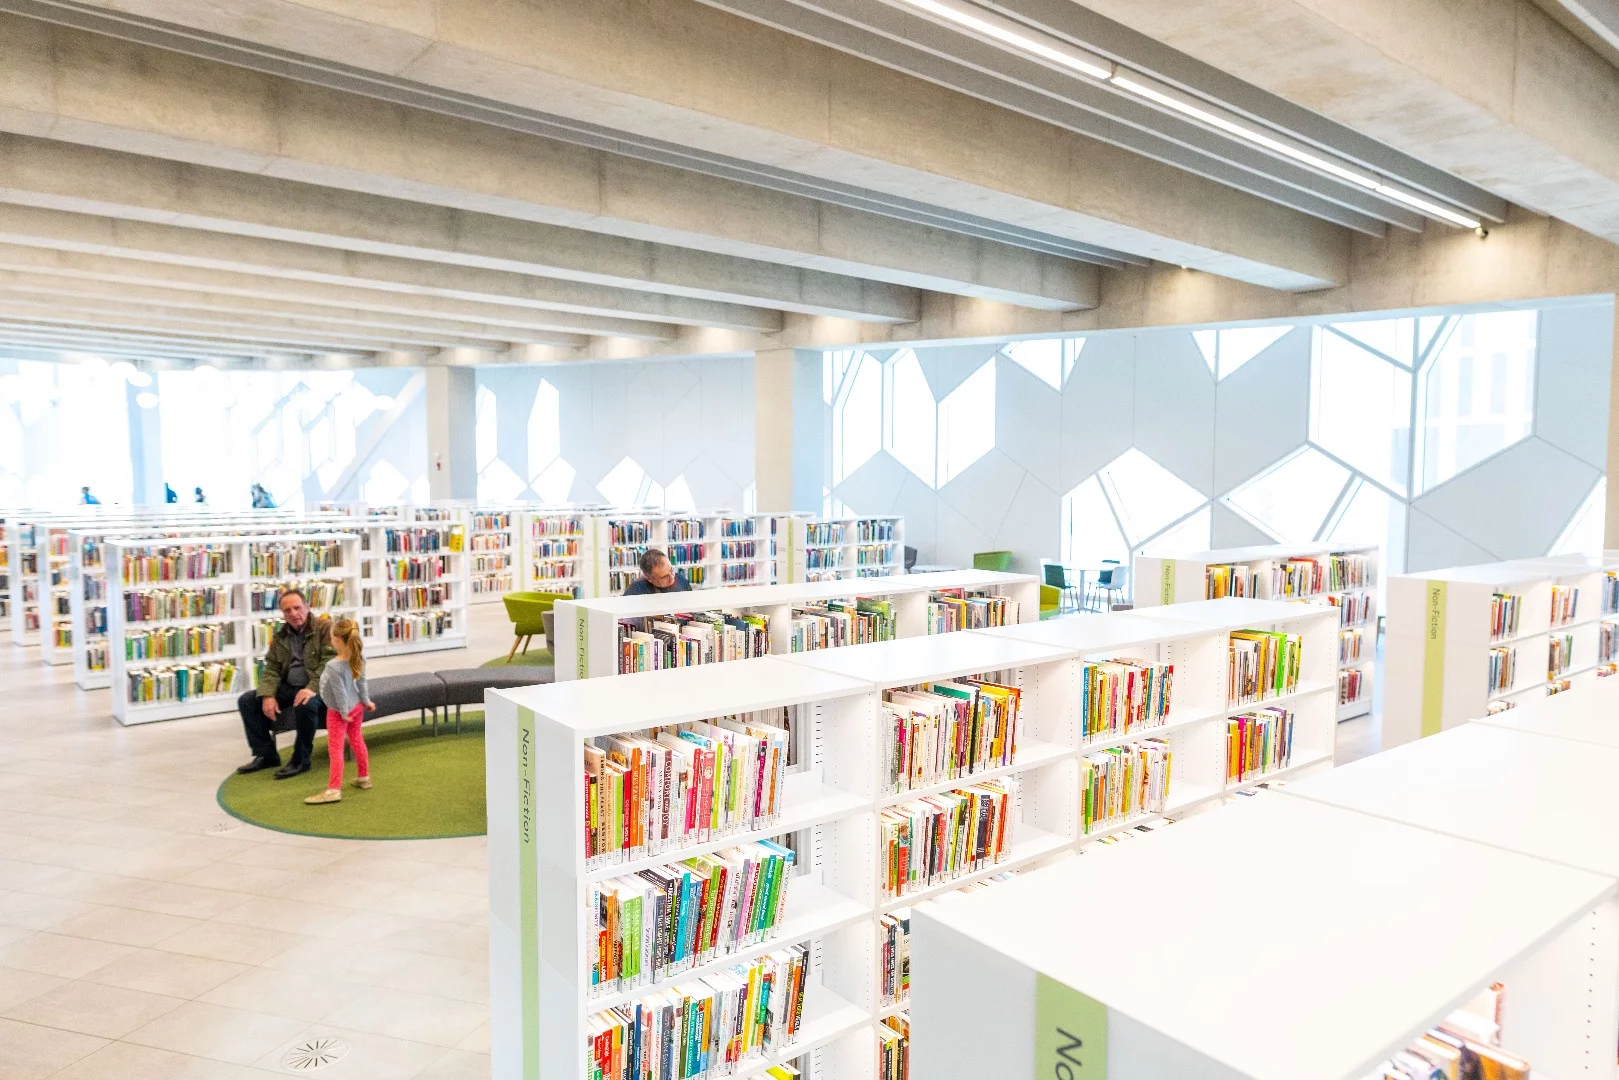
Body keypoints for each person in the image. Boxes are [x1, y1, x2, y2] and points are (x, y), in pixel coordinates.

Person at [235, 588, 334, 778]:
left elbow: (330, 663)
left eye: (297, 608)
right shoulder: (281, 636)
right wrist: (268, 694)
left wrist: (311, 688)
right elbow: (272, 667)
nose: (293, 614)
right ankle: (266, 755)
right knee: (247, 700)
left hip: (321, 686)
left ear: (307, 606)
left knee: (305, 705)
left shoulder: (326, 628)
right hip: (290, 686)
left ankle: (300, 760)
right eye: (287, 610)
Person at [305, 617, 375, 804]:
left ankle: (334, 789)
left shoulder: (333, 666)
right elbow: (362, 683)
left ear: (335, 640)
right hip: (357, 706)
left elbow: (339, 692)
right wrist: (366, 701)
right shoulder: (358, 657)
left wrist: (343, 712)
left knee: (335, 748)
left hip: (339, 712)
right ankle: (364, 777)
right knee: (357, 740)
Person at [620, 548, 693, 596]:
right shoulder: (634, 592)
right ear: (649, 578)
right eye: (664, 577)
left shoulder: (681, 580)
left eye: (671, 570)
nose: (672, 578)